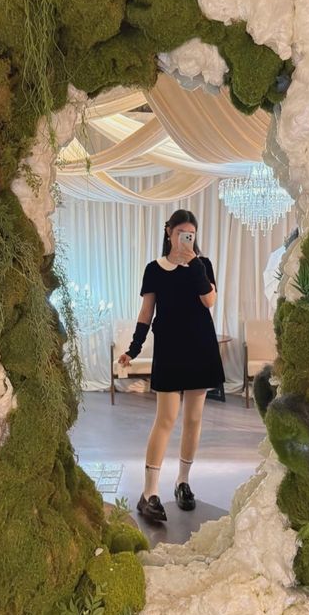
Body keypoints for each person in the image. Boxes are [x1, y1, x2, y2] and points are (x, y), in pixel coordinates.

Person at [118, 209, 225, 523]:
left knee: (193, 419)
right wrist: (133, 348)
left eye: (191, 234)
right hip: (170, 349)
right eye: (181, 233)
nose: (186, 238)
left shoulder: (202, 265)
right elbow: (146, 312)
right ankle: (149, 492)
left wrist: (194, 265)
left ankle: (183, 482)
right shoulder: (154, 269)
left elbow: (209, 300)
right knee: (165, 418)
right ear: (169, 232)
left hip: (201, 347)